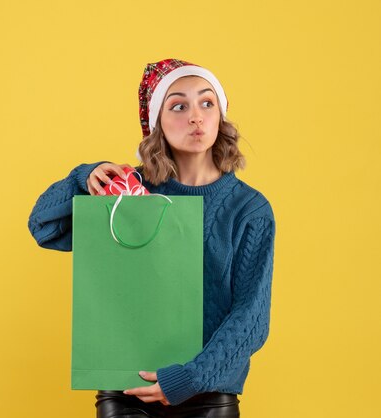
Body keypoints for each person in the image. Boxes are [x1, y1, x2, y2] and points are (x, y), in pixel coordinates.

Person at [27, 58, 276, 418]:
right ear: (156, 121)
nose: (196, 116)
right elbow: (44, 227)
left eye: (207, 102)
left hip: (206, 392)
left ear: (221, 115)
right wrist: (82, 178)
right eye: (178, 105)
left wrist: (188, 378)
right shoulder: (128, 192)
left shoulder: (248, 209)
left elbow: (251, 319)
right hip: (126, 387)